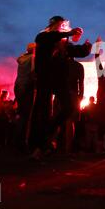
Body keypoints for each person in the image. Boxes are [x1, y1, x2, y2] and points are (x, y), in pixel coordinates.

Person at [29, 16, 91, 160]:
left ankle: (48, 134)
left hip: (59, 80)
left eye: (65, 26)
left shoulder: (64, 44)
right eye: (61, 25)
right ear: (53, 25)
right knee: (42, 112)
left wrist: (87, 47)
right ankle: (39, 146)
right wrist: (68, 34)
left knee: (69, 107)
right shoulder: (43, 36)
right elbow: (49, 38)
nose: (63, 28)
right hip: (45, 79)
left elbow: (78, 52)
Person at [14, 43, 36, 150]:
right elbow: (32, 72)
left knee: (20, 113)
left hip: (18, 85)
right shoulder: (33, 57)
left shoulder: (22, 58)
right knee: (27, 115)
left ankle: (17, 141)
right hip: (27, 86)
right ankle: (23, 142)